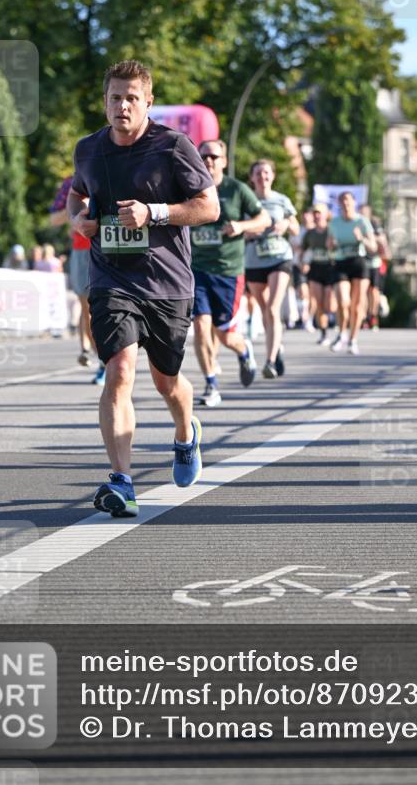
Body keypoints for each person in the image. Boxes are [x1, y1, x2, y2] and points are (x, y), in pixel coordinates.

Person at [67, 59, 219, 517]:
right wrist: (79, 218)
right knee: (119, 371)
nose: (123, 106)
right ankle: (122, 481)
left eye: (132, 98)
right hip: (112, 277)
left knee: (167, 382)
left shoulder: (172, 147)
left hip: (167, 281)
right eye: (115, 97)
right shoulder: (88, 150)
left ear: (148, 102)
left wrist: (154, 214)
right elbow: (78, 192)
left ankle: (185, 432)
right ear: (105, 101)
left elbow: (208, 207)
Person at [190, 139, 270, 407]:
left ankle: (244, 349)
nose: (208, 160)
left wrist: (241, 225)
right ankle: (211, 384)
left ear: (223, 160)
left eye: (214, 156)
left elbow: (265, 220)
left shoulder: (237, 190)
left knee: (226, 336)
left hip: (228, 272)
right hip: (197, 269)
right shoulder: (188, 188)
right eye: (204, 156)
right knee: (201, 326)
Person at [244, 159, 299, 378]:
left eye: (266, 173)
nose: (262, 177)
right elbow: (238, 229)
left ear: (272, 176)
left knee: (273, 308)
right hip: (254, 258)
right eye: (258, 173)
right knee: (265, 309)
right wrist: (251, 231)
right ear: (252, 178)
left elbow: (296, 227)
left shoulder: (281, 200)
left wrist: (286, 224)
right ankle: (277, 346)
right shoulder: (246, 200)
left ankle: (270, 361)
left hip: (279, 256)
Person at [50, 174, 102, 375]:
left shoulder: (112, 169)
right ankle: (97, 356)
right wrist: (75, 209)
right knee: (87, 306)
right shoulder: (70, 183)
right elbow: (53, 219)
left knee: (103, 305)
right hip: (82, 250)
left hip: (110, 248)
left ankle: (101, 355)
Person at [328, 191, 376, 354]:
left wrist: (361, 238)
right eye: (342, 201)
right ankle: (341, 334)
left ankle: (353, 340)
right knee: (342, 301)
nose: (345, 204)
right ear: (339, 204)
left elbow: (373, 247)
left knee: (356, 305)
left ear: (354, 203)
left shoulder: (362, 221)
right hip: (341, 262)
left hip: (359, 262)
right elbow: (330, 245)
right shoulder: (334, 223)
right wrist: (331, 245)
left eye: (348, 201)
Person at [301, 203, 336, 345]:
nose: (316, 215)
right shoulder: (309, 233)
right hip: (315, 267)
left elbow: (339, 246)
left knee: (329, 304)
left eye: (319, 212)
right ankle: (324, 333)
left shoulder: (332, 231)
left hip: (330, 267)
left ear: (326, 214)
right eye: (315, 212)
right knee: (318, 302)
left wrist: (332, 245)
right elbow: (305, 250)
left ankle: (336, 324)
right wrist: (304, 262)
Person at [359, 203, 390, 332]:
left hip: (374, 262)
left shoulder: (374, 224)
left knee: (374, 291)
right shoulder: (356, 223)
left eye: (365, 212)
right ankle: (364, 317)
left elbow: (382, 240)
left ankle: (373, 316)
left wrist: (368, 238)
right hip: (361, 261)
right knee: (362, 291)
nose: (363, 214)